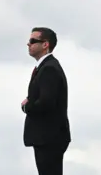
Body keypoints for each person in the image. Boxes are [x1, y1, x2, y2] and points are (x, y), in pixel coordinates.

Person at [22, 27, 71, 175]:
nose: (28, 44)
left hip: (49, 136)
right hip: (48, 136)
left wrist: (27, 106)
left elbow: (46, 102)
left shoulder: (49, 68)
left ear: (45, 44)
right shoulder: (45, 67)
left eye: (32, 41)